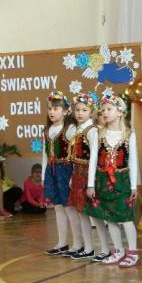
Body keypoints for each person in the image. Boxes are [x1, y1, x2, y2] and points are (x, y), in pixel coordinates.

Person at [85, 94, 140, 267]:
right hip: (102, 181)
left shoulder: (129, 134)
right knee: (109, 217)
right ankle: (118, 250)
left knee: (126, 217)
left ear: (120, 112)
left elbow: (133, 162)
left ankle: (133, 252)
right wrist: (90, 184)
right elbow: (93, 160)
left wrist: (133, 186)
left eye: (109, 109)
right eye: (103, 110)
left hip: (122, 181)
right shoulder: (99, 134)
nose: (105, 113)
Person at [66, 92, 110, 260]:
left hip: (90, 176)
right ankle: (89, 248)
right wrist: (73, 177)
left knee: (95, 214)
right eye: (77, 110)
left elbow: (94, 158)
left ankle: (105, 249)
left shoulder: (92, 131)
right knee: (82, 212)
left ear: (91, 112)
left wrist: (91, 182)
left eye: (84, 110)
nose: (80, 113)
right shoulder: (78, 130)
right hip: (78, 174)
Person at [43, 91, 79, 255]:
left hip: (66, 171)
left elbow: (76, 155)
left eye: (56, 108)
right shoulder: (47, 130)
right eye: (50, 108)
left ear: (65, 111)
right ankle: (62, 243)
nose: (52, 112)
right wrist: (44, 176)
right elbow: (45, 154)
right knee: (58, 207)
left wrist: (74, 175)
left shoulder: (70, 129)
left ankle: (77, 244)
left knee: (69, 207)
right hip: (52, 171)